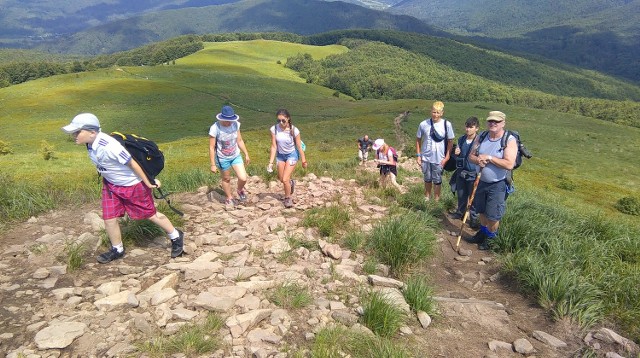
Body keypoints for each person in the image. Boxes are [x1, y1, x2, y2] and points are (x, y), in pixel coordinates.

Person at [61, 113, 184, 263]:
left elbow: (132, 163)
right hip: (111, 185)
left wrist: (147, 182)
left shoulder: (110, 146)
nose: (74, 135)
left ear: (92, 132)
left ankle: (176, 236)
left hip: (132, 185)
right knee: (109, 218)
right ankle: (117, 249)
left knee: (150, 214)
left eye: (77, 132)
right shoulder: (90, 144)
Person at [467, 111, 517, 250]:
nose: (493, 124)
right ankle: (483, 233)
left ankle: (491, 238)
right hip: (481, 181)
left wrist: (489, 158)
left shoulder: (509, 140)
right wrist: (478, 160)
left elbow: (509, 164)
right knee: (482, 210)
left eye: (497, 121)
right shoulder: (482, 136)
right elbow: (471, 156)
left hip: (498, 183)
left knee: (493, 215)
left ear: (503, 123)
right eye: (490, 121)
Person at [209, 105, 251, 206]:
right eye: (227, 120)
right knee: (226, 178)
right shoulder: (215, 128)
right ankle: (229, 197)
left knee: (243, 177)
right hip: (222, 158)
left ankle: (240, 190)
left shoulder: (236, 125)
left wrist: (246, 153)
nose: (229, 123)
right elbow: (211, 147)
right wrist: (213, 164)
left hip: (235, 155)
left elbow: (239, 140)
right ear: (222, 118)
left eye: (231, 120)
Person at [268, 108, 308, 208]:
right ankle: (291, 183)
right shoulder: (274, 129)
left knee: (285, 179)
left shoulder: (294, 130)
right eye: (278, 120)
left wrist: (303, 160)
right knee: (282, 179)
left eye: (283, 120)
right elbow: (273, 146)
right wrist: (270, 163)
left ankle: (287, 198)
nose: (281, 123)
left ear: (288, 119)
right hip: (280, 156)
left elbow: (299, 146)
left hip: (292, 155)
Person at [416, 101, 455, 201]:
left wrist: (447, 157)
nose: (435, 115)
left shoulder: (447, 125)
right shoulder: (423, 124)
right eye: (434, 112)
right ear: (431, 111)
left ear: (442, 113)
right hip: (425, 157)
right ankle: (427, 197)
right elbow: (418, 139)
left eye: (438, 113)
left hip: (439, 158)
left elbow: (450, 142)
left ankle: (436, 200)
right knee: (427, 178)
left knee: (437, 180)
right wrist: (418, 155)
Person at [450, 116, 479, 222]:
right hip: (461, 172)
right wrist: (456, 153)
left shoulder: (479, 141)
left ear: (477, 128)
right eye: (467, 126)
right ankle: (460, 213)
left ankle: (473, 219)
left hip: (473, 173)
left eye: (471, 127)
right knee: (461, 194)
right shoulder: (461, 139)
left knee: (473, 198)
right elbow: (458, 156)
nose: (468, 129)